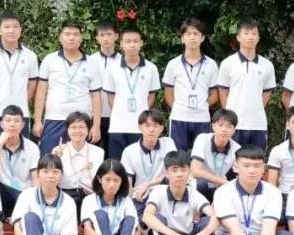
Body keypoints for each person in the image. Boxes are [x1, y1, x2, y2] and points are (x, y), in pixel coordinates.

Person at [210, 145, 294, 235]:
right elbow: (234, 229)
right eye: (246, 165)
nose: (252, 171)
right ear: (236, 167)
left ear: (264, 168)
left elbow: (269, 229)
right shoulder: (223, 192)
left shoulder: (273, 192)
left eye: (257, 166)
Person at [141, 151, 220, 235]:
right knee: (157, 219)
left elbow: (215, 218)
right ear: (166, 173)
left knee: (208, 220)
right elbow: (146, 216)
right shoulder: (158, 191)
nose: (179, 174)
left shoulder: (194, 194)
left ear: (189, 172)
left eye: (183, 170)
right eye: (174, 170)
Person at [34, 21, 103, 155]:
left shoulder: (92, 63)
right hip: (54, 119)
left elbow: (96, 97)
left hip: (82, 122)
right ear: (60, 37)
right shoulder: (49, 60)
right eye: (67, 34)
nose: (71, 38)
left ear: (81, 38)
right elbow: (41, 92)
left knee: (80, 161)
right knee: (50, 160)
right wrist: (37, 121)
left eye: (76, 34)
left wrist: (96, 126)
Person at [0, 12, 39, 146]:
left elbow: (32, 85)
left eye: (15, 27)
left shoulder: (30, 56)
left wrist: (21, 101)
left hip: (20, 115)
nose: (11, 30)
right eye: (7, 27)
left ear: (21, 29)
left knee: (21, 153)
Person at [214, 19, 275, 149]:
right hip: (234, 125)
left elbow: (266, 92)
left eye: (254, 34)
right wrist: (229, 116)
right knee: (233, 159)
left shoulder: (267, 65)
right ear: (238, 37)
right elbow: (223, 92)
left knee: (256, 158)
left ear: (258, 38)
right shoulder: (227, 63)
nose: (250, 37)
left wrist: (256, 108)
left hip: (258, 124)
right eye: (246, 33)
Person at [162, 18, 219, 151]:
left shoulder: (211, 65)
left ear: (202, 38)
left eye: (196, 34)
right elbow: (168, 92)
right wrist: (179, 107)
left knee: (201, 155)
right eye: (188, 34)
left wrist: (202, 105)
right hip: (179, 118)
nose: (192, 37)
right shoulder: (173, 64)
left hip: (202, 118)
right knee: (177, 156)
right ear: (182, 38)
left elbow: (214, 93)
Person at [103, 28, 161, 156]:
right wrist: (120, 111)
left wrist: (141, 111)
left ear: (141, 43)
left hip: (141, 127)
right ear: (121, 44)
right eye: (128, 41)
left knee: (139, 163)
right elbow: (111, 97)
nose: (132, 45)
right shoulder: (112, 68)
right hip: (118, 126)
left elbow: (151, 96)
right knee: (117, 164)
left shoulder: (151, 68)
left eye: (135, 41)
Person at [80, 160, 139, 235]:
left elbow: (137, 229)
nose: (112, 184)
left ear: (122, 181)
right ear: (99, 179)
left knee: (130, 219)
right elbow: (88, 230)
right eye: (107, 180)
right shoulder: (89, 200)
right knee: (100, 215)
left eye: (116, 180)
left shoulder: (126, 201)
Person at [0, 105, 42, 219]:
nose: (12, 124)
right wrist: (0, 143)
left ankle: (17, 215)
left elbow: (36, 178)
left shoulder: (32, 147)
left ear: (23, 125)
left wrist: (36, 203)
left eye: (16, 121)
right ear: (2, 124)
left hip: (24, 194)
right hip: (4, 194)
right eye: (8, 120)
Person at [120, 109, 177, 215]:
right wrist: (127, 206)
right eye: (147, 125)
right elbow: (127, 184)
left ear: (162, 128)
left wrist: (147, 185)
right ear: (140, 127)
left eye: (155, 126)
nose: (151, 129)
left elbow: (174, 172)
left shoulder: (168, 143)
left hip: (163, 193)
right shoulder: (129, 151)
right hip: (140, 196)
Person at [52, 111, 105, 210]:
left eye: (82, 127)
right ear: (68, 130)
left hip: (88, 195)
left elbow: (97, 178)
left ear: (88, 130)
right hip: (64, 195)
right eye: (73, 127)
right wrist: (56, 159)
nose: (77, 131)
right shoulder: (58, 150)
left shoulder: (98, 152)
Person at [189, 109, 240, 201]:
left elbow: (241, 173)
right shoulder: (202, 139)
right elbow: (195, 171)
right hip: (200, 184)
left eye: (229, 126)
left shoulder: (236, 148)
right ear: (213, 126)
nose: (224, 130)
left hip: (221, 186)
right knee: (201, 184)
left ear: (234, 130)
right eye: (220, 125)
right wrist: (222, 181)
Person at [88, 22, 120, 155]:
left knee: (112, 156)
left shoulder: (123, 61)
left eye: (109, 34)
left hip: (116, 116)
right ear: (97, 38)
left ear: (116, 36)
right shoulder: (89, 60)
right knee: (91, 155)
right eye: (102, 35)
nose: (106, 38)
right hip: (92, 115)